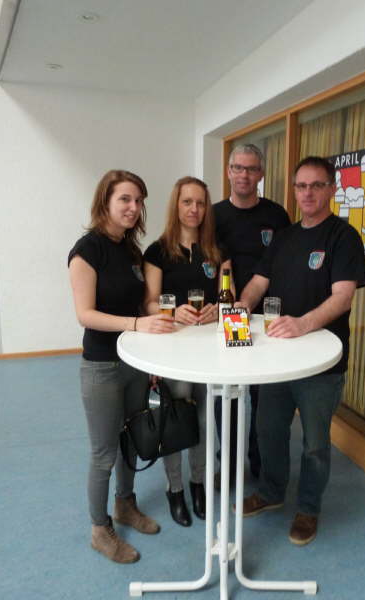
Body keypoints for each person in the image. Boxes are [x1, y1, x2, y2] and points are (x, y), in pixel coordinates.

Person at [236, 156, 365, 546]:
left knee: (314, 443)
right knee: (268, 430)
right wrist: (242, 306)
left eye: (316, 185)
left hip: (321, 365)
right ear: (294, 190)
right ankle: (271, 492)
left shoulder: (343, 237)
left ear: (331, 189)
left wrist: (302, 324)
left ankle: (308, 509)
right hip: (277, 358)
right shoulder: (285, 237)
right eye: (301, 186)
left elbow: (343, 297)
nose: (307, 193)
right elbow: (259, 281)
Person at [68, 170, 175, 564]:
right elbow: (85, 314)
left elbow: (139, 305)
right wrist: (136, 325)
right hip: (101, 366)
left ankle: (125, 505)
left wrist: (150, 354)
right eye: (125, 199)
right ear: (105, 202)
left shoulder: (131, 250)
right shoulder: (87, 250)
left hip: (134, 363)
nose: (133, 208)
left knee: (130, 439)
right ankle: (100, 529)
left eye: (139, 201)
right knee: (104, 452)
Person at [144, 176, 233, 526]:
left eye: (200, 203)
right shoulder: (158, 251)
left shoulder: (218, 250)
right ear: (176, 205)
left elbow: (229, 298)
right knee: (175, 420)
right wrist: (172, 311)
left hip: (209, 351)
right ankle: (175, 488)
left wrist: (218, 309)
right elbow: (149, 303)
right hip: (173, 349)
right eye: (187, 202)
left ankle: (198, 484)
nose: (194, 209)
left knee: (202, 421)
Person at [213, 143, 291, 484]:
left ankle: (260, 461)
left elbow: (283, 264)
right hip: (227, 316)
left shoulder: (277, 215)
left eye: (251, 168)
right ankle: (228, 464)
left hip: (267, 319)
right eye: (238, 168)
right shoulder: (213, 216)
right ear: (228, 171)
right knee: (226, 396)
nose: (244, 175)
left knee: (264, 398)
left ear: (261, 173)